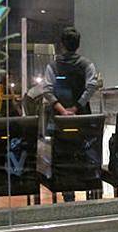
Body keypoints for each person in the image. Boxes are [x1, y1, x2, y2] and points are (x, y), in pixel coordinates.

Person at [42, 26, 99, 201]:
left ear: (62, 45)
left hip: (58, 121)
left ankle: (68, 197)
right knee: (82, 154)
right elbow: (91, 87)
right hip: (82, 119)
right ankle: (89, 193)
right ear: (78, 45)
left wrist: (62, 111)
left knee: (63, 157)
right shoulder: (87, 64)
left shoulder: (53, 66)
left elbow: (47, 90)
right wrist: (76, 108)